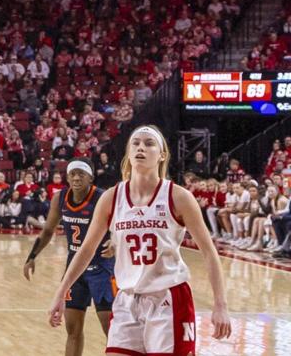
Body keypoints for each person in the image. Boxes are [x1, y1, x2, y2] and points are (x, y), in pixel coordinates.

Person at [48, 126, 232, 354]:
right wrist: (61, 292)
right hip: (127, 299)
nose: (141, 148)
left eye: (149, 143)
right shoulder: (111, 198)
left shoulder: (178, 197)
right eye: (135, 143)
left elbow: (209, 253)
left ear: (162, 154)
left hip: (169, 298)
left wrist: (220, 305)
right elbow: (85, 250)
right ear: (128, 152)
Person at [24, 161, 114, 356]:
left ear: (91, 178)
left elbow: (120, 223)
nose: (76, 178)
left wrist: (115, 239)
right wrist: (31, 257)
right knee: (72, 330)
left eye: (81, 174)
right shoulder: (60, 198)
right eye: (72, 174)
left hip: (102, 267)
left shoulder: (102, 198)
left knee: (112, 331)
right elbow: (48, 230)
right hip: (74, 270)